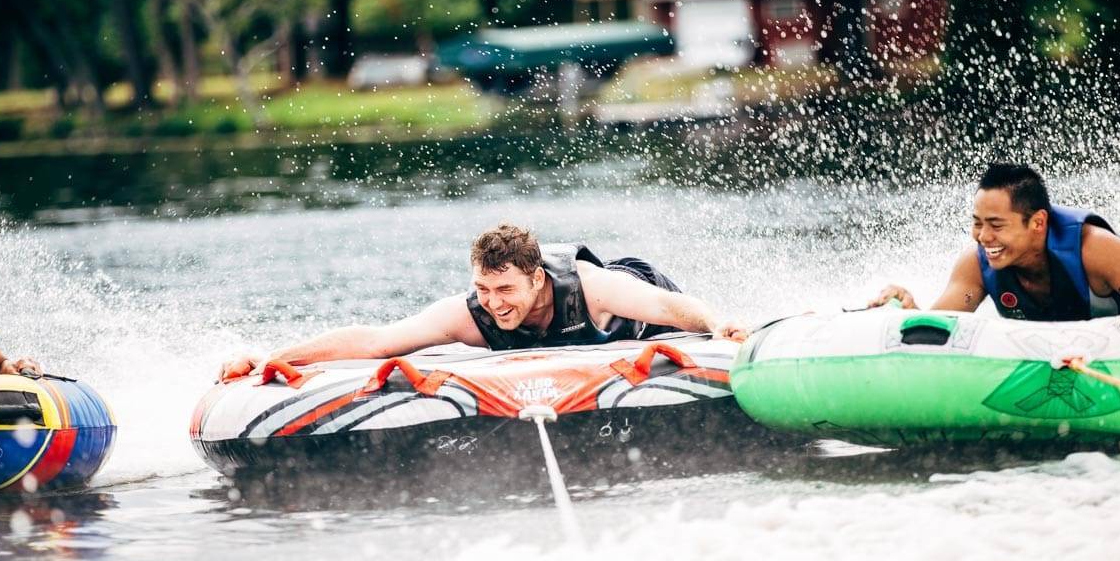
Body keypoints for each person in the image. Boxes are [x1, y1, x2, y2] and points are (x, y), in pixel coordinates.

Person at [220, 223, 744, 379]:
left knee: (683, 320)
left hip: (642, 320)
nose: (494, 304)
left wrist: (718, 324)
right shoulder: (470, 314)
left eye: (506, 290)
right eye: (484, 289)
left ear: (537, 279)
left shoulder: (593, 287)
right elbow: (377, 341)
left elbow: (674, 312)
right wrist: (277, 357)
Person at [871, 163, 1120, 320]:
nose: (983, 236)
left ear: (1037, 222)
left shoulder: (1095, 249)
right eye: (978, 223)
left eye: (996, 225)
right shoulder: (976, 265)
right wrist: (908, 308)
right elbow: (938, 328)